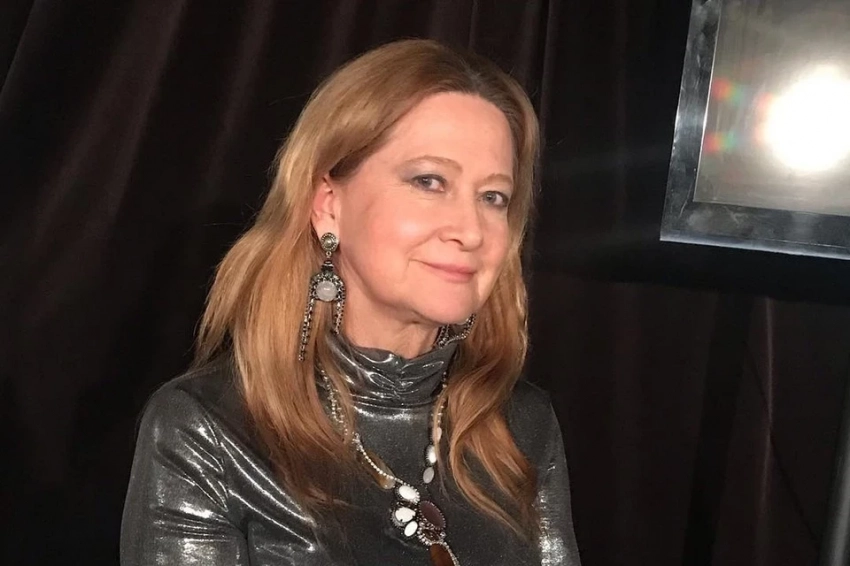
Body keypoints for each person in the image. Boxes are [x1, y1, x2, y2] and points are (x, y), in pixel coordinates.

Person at [120, 38, 581, 566]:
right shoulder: (209, 430)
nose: (471, 230)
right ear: (328, 205)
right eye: (430, 181)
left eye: (493, 197)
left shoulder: (522, 423)